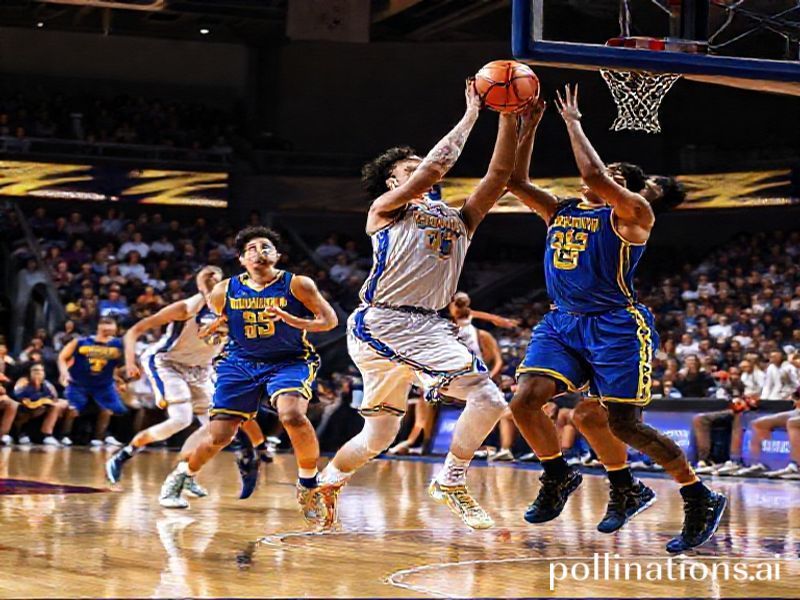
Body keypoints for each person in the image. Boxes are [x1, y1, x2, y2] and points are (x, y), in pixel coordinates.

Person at [506, 85, 725, 553]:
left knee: (618, 423)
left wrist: (572, 121)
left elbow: (591, 171)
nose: (604, 176)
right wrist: (528, 128)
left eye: (615, 175)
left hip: (615, 325)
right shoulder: (562, 210)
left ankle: (697, 494)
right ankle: (561, 476)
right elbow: (515, 182)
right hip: (563, 323)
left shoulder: (632, 213)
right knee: (525, 400)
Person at [317, 79, 519, 530]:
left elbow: (499, 177)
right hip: (384, 321)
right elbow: (433, 170)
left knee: (379, 435)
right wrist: (471, 115)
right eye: (411, 166)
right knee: (487, 396)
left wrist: (508, 116)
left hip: (427, 326)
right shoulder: (386, 208)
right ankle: (451, 479)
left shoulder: (460, 218)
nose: (423, 169)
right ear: (393, 180)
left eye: (420, 164)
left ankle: (327, 480)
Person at [158, 227, 338, 519]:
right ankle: (183, 474)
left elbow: (329, 321)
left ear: (277, 256)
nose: (258, 252)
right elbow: (223, 328)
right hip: (240, 362)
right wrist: (216, 333)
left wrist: (291, 319)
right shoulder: (224, 290)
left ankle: (308, 484)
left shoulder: (298, 285)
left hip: (289, 360)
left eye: (265, 247)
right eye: (251, 249)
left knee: (292, 415)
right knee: (220, 436)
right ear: (242, 259)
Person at [104, 266, 226, 490]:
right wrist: (130, 362)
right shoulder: (187, 308)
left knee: (218, 427)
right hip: (168, 363)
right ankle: (123, 455)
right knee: (181, 420)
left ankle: (184, 473)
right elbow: (134, 330)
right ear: (201, 289)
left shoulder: (236, 308)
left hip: (201, 368)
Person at [57, 317, 126, 447]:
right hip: (79, 383)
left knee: (106, 409)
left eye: (112, 326)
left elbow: (115, 366)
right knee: (73, 409)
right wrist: (64, 372)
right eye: (107, 325)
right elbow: (62, 357)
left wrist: (118, 379)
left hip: (101, 384)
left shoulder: (118, 345)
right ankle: (64, 436)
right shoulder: (81, 341)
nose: (110, 329)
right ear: (100, 327)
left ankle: (99, 438)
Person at [12, 364, 75, 446]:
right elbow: (18, 395)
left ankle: (62, 436)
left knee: (68, 405)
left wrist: (45, 399)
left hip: (43, 406)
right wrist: (38, 394)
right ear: (29, 372)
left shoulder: (46, 383)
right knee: (50, 407)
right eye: (36, 370)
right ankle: (26, 434)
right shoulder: (23, 381)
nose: (39, 372)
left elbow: (54, 397)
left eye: (41, 370)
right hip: (25, 406)